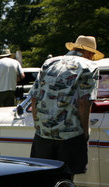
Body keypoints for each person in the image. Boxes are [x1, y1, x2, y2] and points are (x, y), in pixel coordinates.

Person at [29, 35, 104, 177]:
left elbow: (34, 97)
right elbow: (84, 102)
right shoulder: (89, 66)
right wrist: (85, 132)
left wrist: (37, 124)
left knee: (44, 178)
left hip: (43, 133)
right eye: (92, 54)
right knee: (65, 182)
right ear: (89, 52)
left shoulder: (49, 62)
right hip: (70, 134)